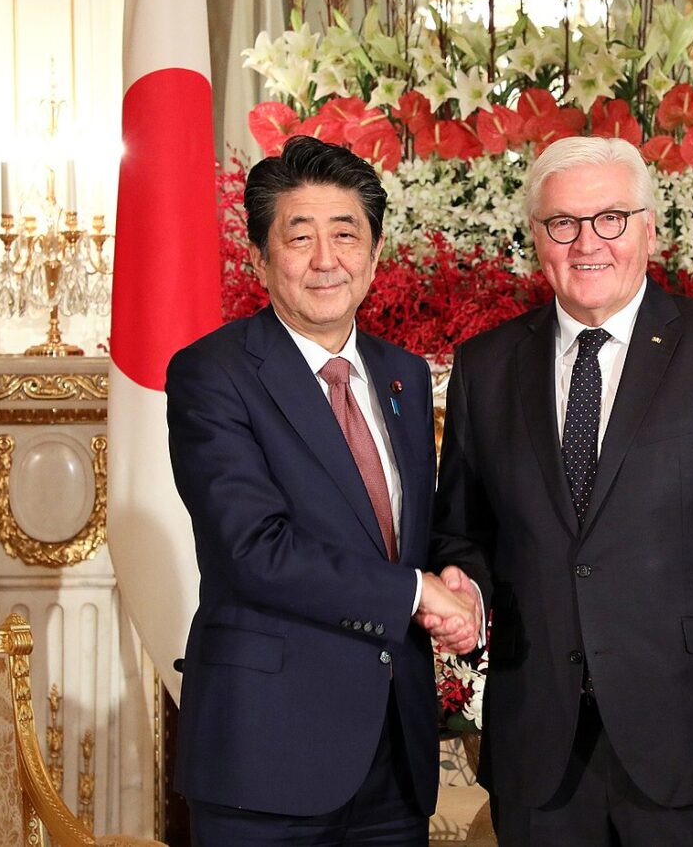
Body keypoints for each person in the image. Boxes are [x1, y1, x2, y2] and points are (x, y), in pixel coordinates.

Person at [427, 136, 693, 846]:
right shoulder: (486, 366)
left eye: (609, 218)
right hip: (539, 754)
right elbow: (463, 533)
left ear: (647, 228)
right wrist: (466, 588)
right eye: (562, 223)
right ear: (537, 238)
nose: (586, 243)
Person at [167, 135, 481, 845]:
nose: (325, 259)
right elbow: (253, 550)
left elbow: (413, 536)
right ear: (259, 258)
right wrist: (416, 594)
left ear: (373, 257)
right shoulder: (212, 375)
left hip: (393, 758)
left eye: (346, 236)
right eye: (299, 236)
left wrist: (461, 584)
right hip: (267, 755)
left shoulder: (401, 373)